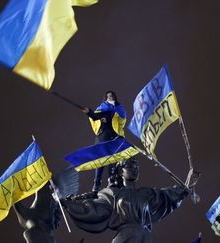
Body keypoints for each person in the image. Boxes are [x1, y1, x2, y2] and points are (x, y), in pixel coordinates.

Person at [61, 158, 190, 243]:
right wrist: (69, 204)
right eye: (129, 165)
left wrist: (186, 187)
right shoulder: (112, 193)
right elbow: (94, 211)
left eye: (136, 166)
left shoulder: (146, 193)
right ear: (120, 171)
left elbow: (167, 196)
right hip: (125, 238)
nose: (134, 168)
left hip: (144, 238)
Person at [82, 91, 127, 192]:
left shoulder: (120, 108)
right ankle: (97, 184)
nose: (110, 97)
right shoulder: (102, 107)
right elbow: (95, 116)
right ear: (106, 98)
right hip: (103, 136)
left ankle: (112, 182)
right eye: (108, 96)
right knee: (101, 161)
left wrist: (110, 119)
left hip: (114, 136)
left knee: (113, 161)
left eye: (112, 96)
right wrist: (89, 111)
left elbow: (122, 119)